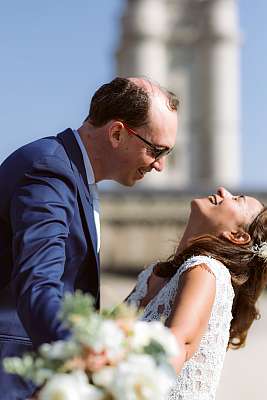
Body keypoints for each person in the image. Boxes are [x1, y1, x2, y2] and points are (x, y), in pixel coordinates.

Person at [0, 76, 179, 399]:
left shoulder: (70, 172)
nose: (160, 166)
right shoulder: (49, 172)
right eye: (157, 150)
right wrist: (89, 356)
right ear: (116, 133)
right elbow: (39, 283)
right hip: (16, 375)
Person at [127, 187, 267, 399]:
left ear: (237, 236)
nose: (222, 190)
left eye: (237, 199)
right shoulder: (151, 276)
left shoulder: (205, 269)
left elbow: (175, 347)